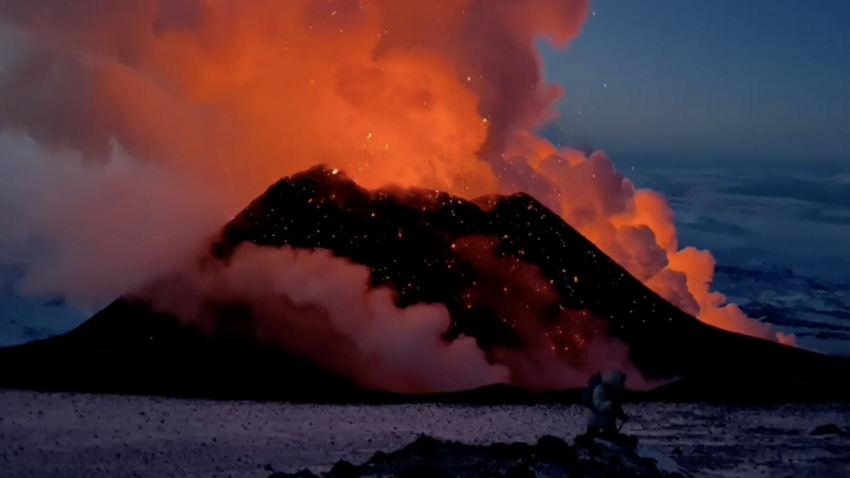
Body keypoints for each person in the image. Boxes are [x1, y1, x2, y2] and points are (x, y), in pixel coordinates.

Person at [581, 368, 635, 448]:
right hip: (595, 416)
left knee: (611, 434)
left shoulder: (614, 391)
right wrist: (610, 405)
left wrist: (621, 415)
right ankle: (585, 446)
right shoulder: (600, 389)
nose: (623, 383)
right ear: (614, 379)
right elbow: (598, 405)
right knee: (592, 435)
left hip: (607, 417)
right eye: (621, 381)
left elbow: (615, 407)